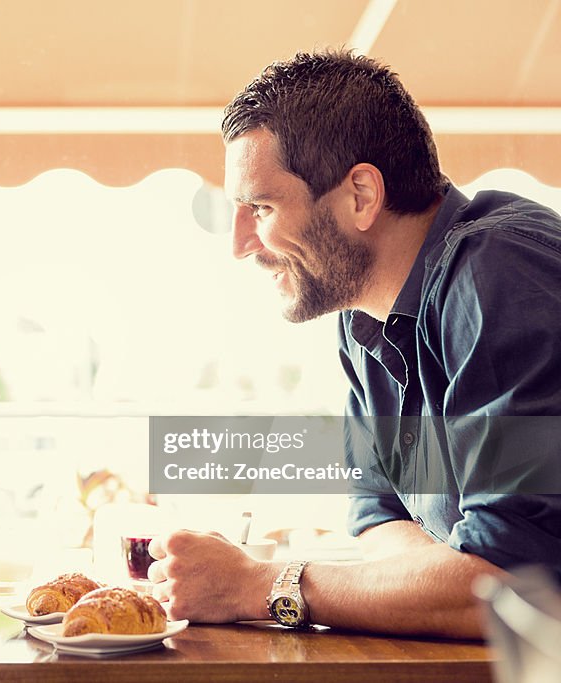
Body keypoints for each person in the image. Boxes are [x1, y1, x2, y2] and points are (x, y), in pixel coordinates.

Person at [148, 50, 561, 638]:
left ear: (362, 195)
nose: (240, 244)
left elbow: (516, 587)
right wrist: (449, 585)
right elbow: (376, 511)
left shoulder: (501, 274)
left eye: (261, 206)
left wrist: (257, 586)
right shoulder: (366, 318)